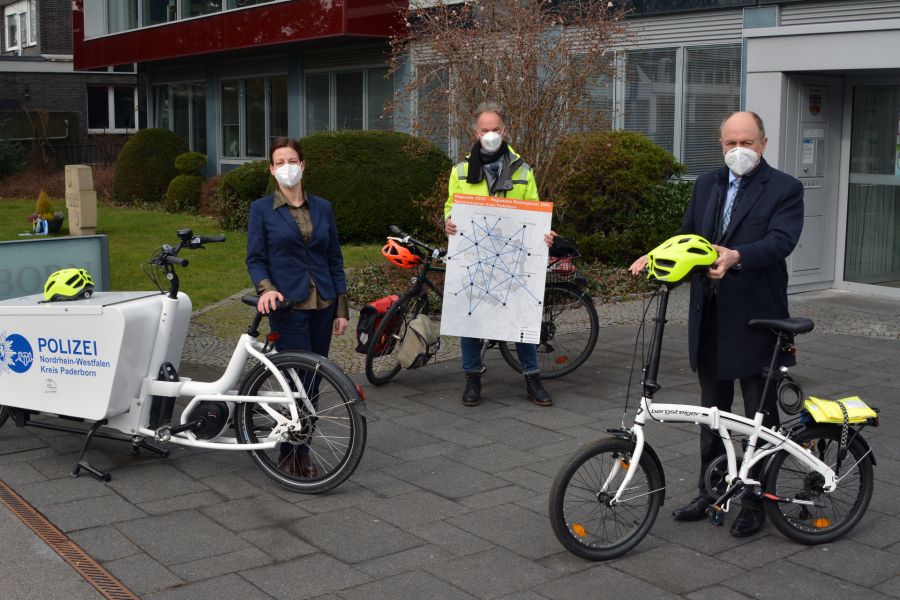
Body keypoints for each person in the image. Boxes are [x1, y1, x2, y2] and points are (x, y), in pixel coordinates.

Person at [629, 111, 804, 537]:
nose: (738, 151)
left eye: (747, 142)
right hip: (708, 317)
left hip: (757, 317)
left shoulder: (785, 188)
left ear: (763, 143)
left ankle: (755, 500)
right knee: (711, 413)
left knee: (757, 418)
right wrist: (655, 257)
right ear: (721, 144)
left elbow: (781, 241)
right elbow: (688, 235)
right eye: (730, 143)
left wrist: (736, 256)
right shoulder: (707, 183)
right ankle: (712, 489)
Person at [246, 137, 350, 479]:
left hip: (323, 303)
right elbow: (256, 259)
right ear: (272, 169)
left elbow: (334, 258)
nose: (287, 166)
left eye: (293, 159)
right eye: (280, 161)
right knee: (296, 383)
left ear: (303, 165)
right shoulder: (262, 210)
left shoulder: (324, 207)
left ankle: (301, 449)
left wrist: (342, 308)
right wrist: (266, 289)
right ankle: (288, 452)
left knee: (315, 381)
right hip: (287, 305)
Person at [444, 101, 556, 408]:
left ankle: (532, 378)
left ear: (504, 131)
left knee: (520, 318)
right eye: (485, 130)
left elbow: (533, 210)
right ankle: (472, 379)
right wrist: (449, 222)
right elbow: (450, 208)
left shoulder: (523, 170)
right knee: (470, 319)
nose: (490, 135)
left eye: (495, 130)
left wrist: (543, 232)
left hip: (513, 256)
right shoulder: (461, 172)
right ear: (475, 132)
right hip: (475, 255)